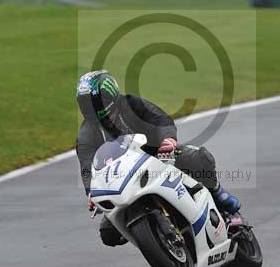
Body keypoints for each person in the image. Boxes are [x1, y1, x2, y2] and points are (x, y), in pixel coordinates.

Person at [75, 70, 241, 246]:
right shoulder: (86, 135)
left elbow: (160, 119)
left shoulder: (131, 104)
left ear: (111, 96)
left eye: (96, 102)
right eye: (86, 104)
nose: (92, 108)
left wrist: (168, 139)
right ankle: (151, 236)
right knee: (108, 233)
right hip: (124, 179)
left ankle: (218, 194)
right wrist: (90, 191)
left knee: (200, 158)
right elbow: (87, 165)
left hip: (160, 157)